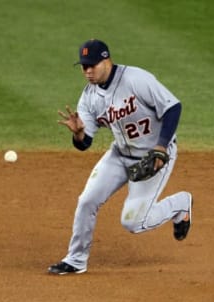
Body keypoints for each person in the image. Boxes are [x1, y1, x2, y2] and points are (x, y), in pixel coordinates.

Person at [48, 39, 193, 275]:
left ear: (106, 60)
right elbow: (85, 144)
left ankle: (180, 205)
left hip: (154, 157)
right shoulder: (89, 97)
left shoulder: (136, 79)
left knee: (133, 223)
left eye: (92, 65)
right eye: (83, 66)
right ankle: (76, 260)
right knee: (86, 201)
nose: (87, 71)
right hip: (119, 155)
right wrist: (79, 134)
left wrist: (161, 146)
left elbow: (172, 107)